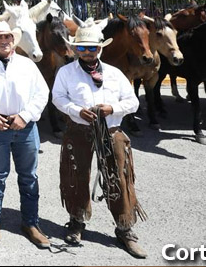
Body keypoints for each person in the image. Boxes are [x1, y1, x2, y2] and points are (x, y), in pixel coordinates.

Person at [52, 19, 147, 259]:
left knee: (118, 177)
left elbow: (133, 102)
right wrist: (75, 110)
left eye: (91, 48)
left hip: (111, 132)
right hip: (79, 130)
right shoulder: (65, 72)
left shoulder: (115, 74)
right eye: (81, 48)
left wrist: (112, 109)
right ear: (74, 49)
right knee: (76, 175)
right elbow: (58, 98)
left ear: (100, 49)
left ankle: (125, 227)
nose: (86, 52)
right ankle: (76, 221)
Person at [0, 20, 50, 249]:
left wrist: (25, 115)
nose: (4, 41)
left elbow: (42, 93)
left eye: (7, 37)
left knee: (28, 176)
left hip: (24, 126)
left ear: (13, 40)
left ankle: (31, 223)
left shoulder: (27, 65)